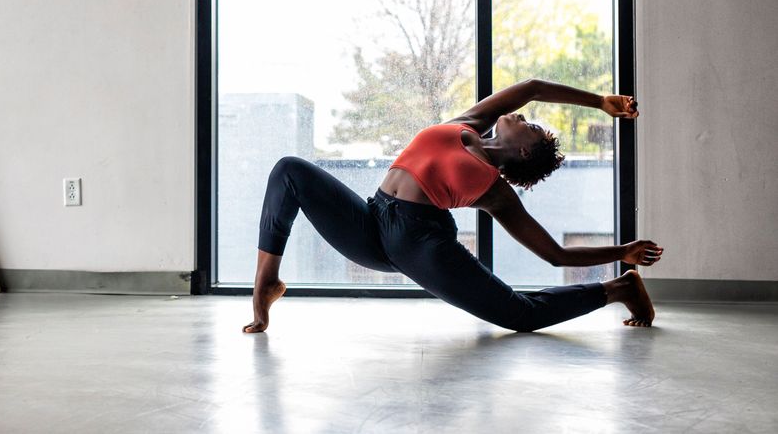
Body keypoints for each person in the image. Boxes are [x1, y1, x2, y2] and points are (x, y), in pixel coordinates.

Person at [242, 78, 663, 334]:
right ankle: (267, 283)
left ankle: (618, 289)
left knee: (520, 315)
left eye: (531, 128)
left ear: (523, 154)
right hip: (374, 220)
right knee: (289, 171)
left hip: (420, 243)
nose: (524, 118)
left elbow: (556, 254)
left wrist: (620, 252)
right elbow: (532, 88)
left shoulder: (496, 192)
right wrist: (599, 101)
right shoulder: (472, 122)